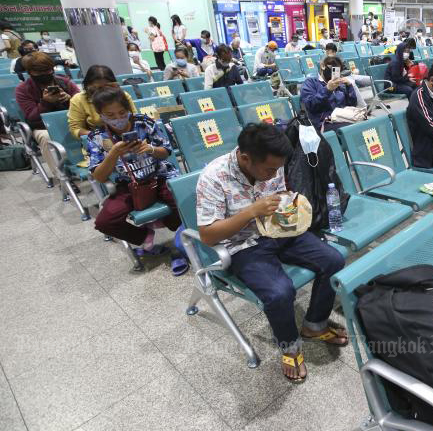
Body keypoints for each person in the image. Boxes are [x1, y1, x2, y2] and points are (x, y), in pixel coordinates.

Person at [196, 123, 347, 382]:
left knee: (334, 260)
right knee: (280, 292)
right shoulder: (214, 177)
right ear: (245, 158)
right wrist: (251, 212)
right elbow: (208, 236)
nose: (275, 173)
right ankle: (290, 347)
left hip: (279, 231)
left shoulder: (271, 166)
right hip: (243, 245)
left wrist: (288, 201)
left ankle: (315, 325)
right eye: (270, 169)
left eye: (278, 168)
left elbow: (276, 193)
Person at [87, 86, 181, 254]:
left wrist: (150, 149)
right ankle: (144, 235)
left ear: (129, 109)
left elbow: (166, 151)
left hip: (159, 176)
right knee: (105, 222)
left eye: (122, 112)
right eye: (110, 115)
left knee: (184, 200)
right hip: (128, 184)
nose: (118, 118)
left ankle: (171, 224)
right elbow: (99, 176)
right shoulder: (97, 137)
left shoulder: (144, 123)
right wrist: (114, 153)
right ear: (100, 115)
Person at [15, 52, 80, 177]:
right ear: (30, 72)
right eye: (40, 72)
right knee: (46, 137)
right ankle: (62, 177)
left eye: (48, 70)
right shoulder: (23, 89)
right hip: (42, 127)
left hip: (70, 121)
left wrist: (69, 100)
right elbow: (31, 117)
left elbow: (82, 105)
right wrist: (45, 103)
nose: (45, 74)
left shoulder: (65, 82)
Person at [68, 65, 136, 139]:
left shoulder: (122, 95)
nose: (102, 91)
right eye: (98, 88)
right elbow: (75, 129)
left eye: (107, 87)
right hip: (97, 142)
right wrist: (100, 136)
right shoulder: (78, 100)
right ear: (88, 86)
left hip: (127, 137)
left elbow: (134, 117)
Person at [300, 55, 359, 130]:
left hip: (341, 117)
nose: (335, 73)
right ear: (323, 66)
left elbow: (352, 104)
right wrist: (327, 90)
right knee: (352, 128)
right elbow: (311, 106)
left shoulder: (339, 84)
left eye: (338, 70)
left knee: (364, 123)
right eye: (333, 69)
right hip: (323, 122)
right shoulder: (310, 82)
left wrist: (349, 86)